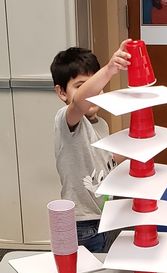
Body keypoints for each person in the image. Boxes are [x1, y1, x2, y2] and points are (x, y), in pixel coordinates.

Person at [50, 39, 131, 252]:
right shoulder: (68, 119)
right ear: (62, 93)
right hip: (82, 223)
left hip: (103, 216)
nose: (93, 92)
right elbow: (79, 102)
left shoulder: (101, 124)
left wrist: (133, 146)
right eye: (81, 86)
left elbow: (107, 161)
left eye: (97, 85)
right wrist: (109, 69)